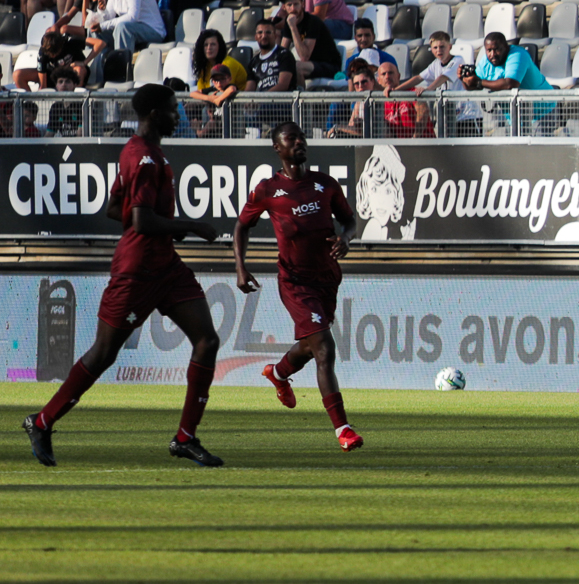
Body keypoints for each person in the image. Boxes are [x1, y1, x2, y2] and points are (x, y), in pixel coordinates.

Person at [23, 83, 224, 468]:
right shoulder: (144, 158)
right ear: (153, 114)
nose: (178, 115)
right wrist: (191, 225)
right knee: (103, 354)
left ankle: (186, 437)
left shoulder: (144, 153)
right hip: (136, 272)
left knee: (207, 340)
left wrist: (167, 227)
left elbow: (116, 207)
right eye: (172, 109)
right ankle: (42, 420)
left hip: (165, 266)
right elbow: (140, 219)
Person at [233, 121, 364, 455]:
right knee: (324, 348)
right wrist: (240, 266)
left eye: (301, 137)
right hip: (294, 281)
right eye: (290, 139)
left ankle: (277, 373)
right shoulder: (267, 190)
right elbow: (241, 226)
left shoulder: (324, 184)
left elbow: (350, 221)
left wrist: (345, 239)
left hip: (327, 278)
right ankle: (343, 429)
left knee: (310, 346)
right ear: (277, 149)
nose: (299, 142)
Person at [462, 31, 557, 135]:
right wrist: (465, 79)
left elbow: (510, 84)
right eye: (489, 50)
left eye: (497, 49)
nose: (492, 54)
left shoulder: (518, 54)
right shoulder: (485, 62)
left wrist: (479, 82)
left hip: (542, 111)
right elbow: (473, 86)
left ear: (506, 47)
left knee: (537, 150)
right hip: (514, 116)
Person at [391, 31, 482, 137]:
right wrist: (396, 90)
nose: (439, 50)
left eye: (442, 47)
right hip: (451, 118)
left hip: (468, 116)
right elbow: (418, 77)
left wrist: (429, 89)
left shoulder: (458, 60)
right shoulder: (435, 64)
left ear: (450, 47)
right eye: (435, 48)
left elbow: (443, 77)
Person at [280, 0, 342, 87]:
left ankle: (301, 99)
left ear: (303, 4)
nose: (293, 9)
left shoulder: (312, 22)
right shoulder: (288, 23)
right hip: (310, 65)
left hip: (329, 65)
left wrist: (293, 27)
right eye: (289, 5)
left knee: (296, 67)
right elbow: (282, 52)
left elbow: (304, 56)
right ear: (284, 7)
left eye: (296, 4)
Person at [356, 145, 414, 240]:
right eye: (375, 189)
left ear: (396, 196)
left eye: (387, 191)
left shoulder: (383, 229)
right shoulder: (373, 226)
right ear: (366, 192)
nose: (381, 200)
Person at [13, 31, 89, 90]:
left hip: (71, 75)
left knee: (79, 69)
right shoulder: (43, 51)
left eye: (54, 53)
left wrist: (85, 62)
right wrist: (43, 89)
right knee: (17, 74)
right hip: (52, 75)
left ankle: (76, 99)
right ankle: (30, 105)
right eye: (50, 54)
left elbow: (99, 43)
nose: (52, 56)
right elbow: (42, 75)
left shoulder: (70, 41)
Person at [377, 61, 435, 139]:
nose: (387, 76)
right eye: (383, 74)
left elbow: (423, 111)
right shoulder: (381, 103)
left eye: (391, 73)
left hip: (423, 144)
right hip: (401, 147)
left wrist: (415, 138)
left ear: (398, 76)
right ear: (378, 80)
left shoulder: (412, 91)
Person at [327, 59, 375, 137]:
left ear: (372, 81)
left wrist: (338, 127)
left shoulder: (379, 101)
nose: (360, 86)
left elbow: (369, 130)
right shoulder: (358, 103)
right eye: (356, 84)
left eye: (364, 82)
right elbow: (352, 126)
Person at [245, 20, 296, 93]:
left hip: (283, 101)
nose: (264, 36)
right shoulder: (253, 62)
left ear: (275, 36)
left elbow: (283, 85)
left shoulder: (285, 55)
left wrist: (262, 99)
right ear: (256, 37)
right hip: (260, 102)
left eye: (268, 32)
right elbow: (249, 90)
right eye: (260, 32)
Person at [190, 63, 238, 138]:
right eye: (216, 80)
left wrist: (219, 99)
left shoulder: (229, 87)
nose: (219, 83)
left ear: (229, 78)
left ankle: (199, 133)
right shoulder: (213, 89)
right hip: (214, 133)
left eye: (222, 79)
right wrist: (209, 98)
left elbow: (232, 89)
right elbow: (193, 94)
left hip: (231, 131)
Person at [193, 28, 247, 92]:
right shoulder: (204, 67)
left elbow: (223, 91)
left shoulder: (228, 64)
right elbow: (200, 91)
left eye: (213, 44)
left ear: (220, 46)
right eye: (205, 45)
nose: (209, 48)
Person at [45, 66, 84, 137]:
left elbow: (80, 134)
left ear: (75, 85)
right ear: (56, 86)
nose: (64, 84)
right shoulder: (55, 107)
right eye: (60, 82)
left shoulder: (82, 105)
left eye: (68, 81)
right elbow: (49, 133)